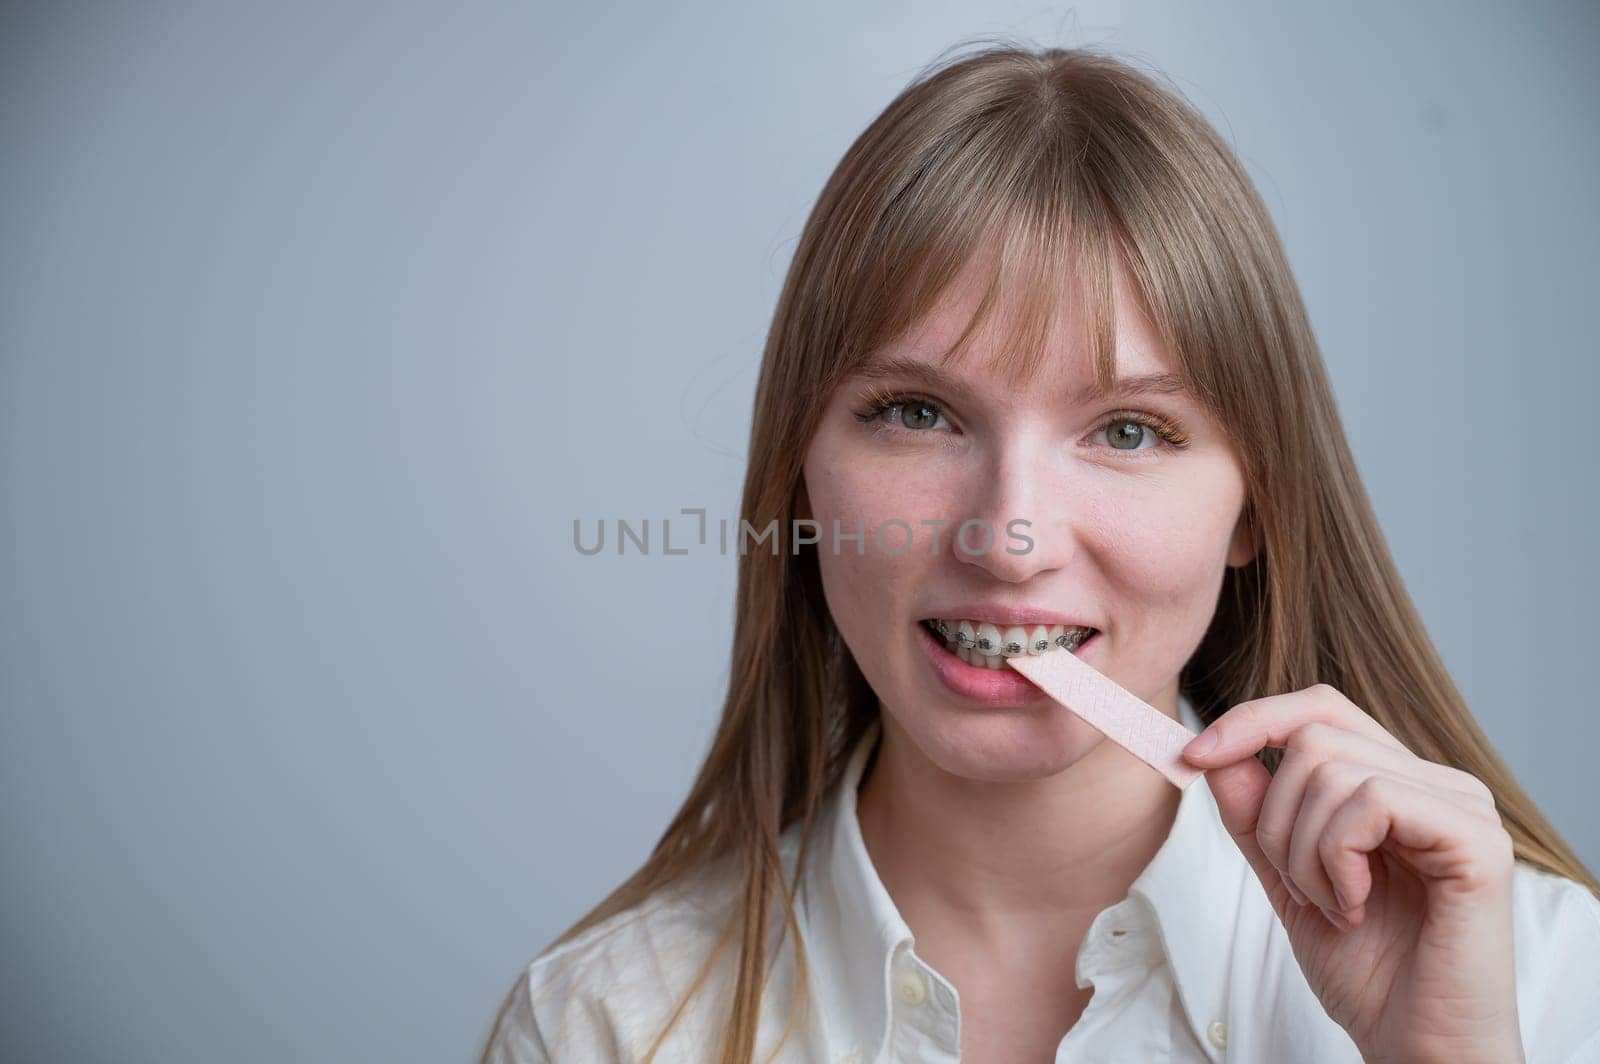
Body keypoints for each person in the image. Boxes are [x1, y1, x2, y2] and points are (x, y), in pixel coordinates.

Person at [480, 42, 1600, 1063]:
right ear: (800, 473)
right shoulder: (605, 1024)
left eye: (1125, 431)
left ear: (1255, 503)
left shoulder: (1545, 985)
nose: (1007, 539)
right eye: (916, 412)